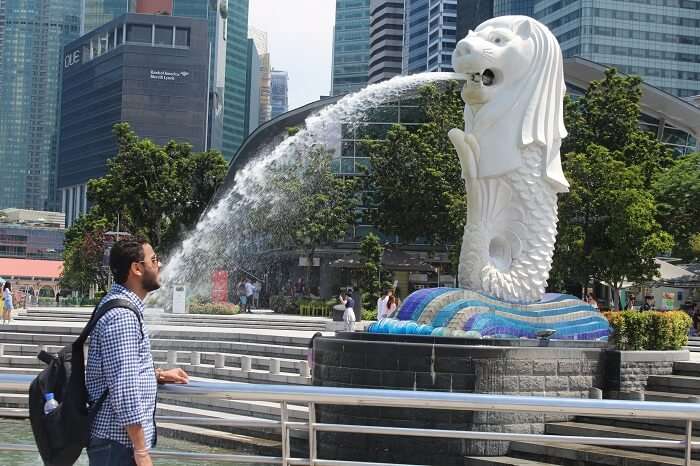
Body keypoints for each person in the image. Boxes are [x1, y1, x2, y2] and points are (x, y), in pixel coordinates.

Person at [86, 239, 189, 466]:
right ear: (136, 268)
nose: (159, 264)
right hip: (118, 445)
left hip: (116, 444)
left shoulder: (119, 305)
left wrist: (157, 374)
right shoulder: (122, 316)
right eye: (153, 260)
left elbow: (121, 369)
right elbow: (123, 387)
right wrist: (141, 450)